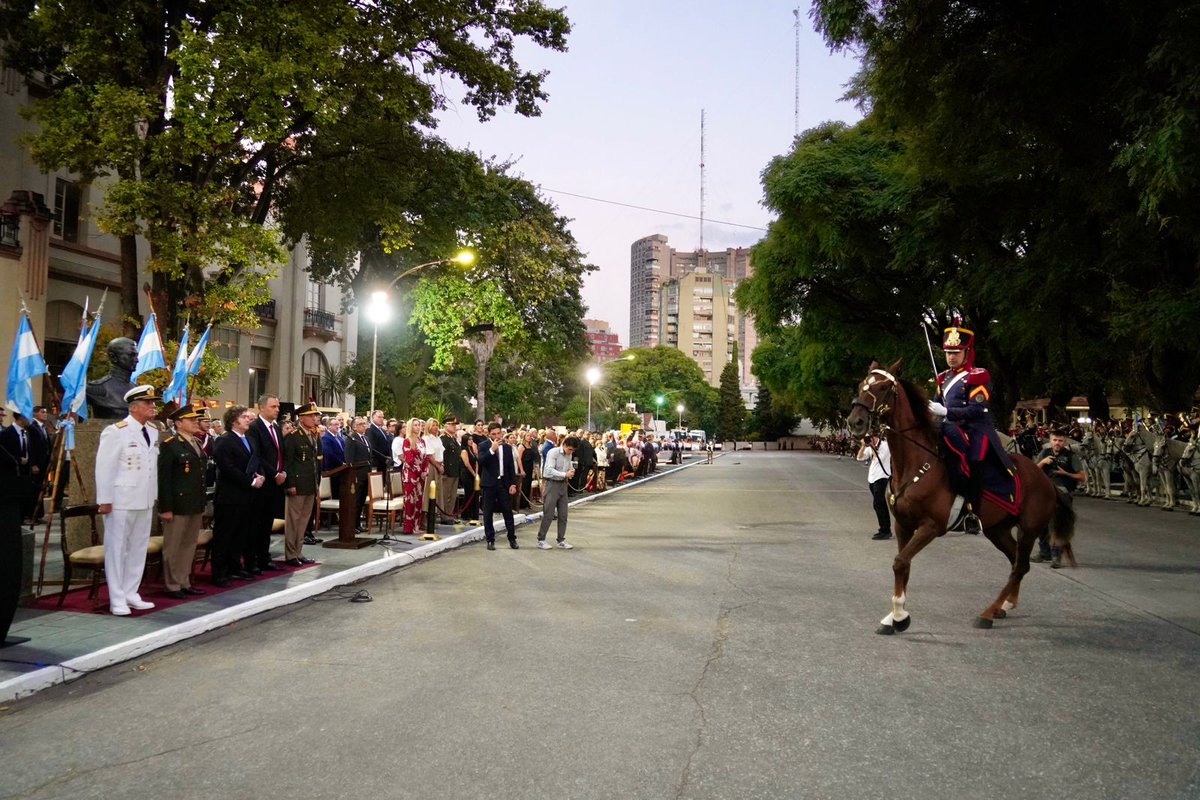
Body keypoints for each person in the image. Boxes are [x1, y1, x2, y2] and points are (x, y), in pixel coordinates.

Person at [928, 317, 1007, 536]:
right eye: (948, 353)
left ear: (967, 352)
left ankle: (973, 512)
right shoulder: (942, 378)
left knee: (974, 461)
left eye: (956, 352)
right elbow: (936, 405)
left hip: (975, 429)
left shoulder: (978, 376)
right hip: (949, 427)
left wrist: (946, 412)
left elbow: (977, 410)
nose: (951, 357)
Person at [94, 385, 162, 615]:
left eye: (153, 402)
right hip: (121, 499)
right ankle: (117, 597)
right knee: (117, 549)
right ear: (134, 407)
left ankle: (131, 592)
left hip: (144, 499)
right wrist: (104, 499)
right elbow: (104, 468)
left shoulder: (152, 431)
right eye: (148, 403)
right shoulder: (116, 431)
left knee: (138, 547)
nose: (153, 406)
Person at [156, 403, 210, 599]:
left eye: (196, 419)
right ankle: (172, 584)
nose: (196, 422)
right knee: (174, 545)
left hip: (194, 503)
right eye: (191, 419)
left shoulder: (195, 442)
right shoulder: (170, 444)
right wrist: (166, 507)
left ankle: (184, 580)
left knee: (188, 545)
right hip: (177, 505)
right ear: (179, 423)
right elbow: (164, 479)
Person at [211, 405, 265, 586]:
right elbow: (228, 468)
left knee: (240, 534)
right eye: (243, 417)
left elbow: (254, 460)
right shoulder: (224, 440)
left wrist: (258, 475)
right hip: (229, 496)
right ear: (233, 420)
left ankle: (235, 567)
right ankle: (219, 572)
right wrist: (250, 481)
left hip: (246, 496)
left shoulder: (248, 439)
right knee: (225, 534)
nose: (247, 419)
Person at [245, 394, 288, 573]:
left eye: (278, 406)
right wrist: (275, 473)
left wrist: (283, 471)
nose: (277, 410)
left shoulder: (275, 427)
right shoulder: (255, 428)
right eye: (273, 406)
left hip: (276, 482)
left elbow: (280, 452)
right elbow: (258, 455)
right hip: (262, 481)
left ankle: (264, 556)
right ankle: (253, 559)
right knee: (257, 523)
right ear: (261, 408)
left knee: (267, 522)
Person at [1035, 429, 1086, 567]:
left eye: (1060, 440)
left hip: (1063, 493)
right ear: (1050, 440)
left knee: (1057, 524)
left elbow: (1082, 477)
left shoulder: (1071, 456)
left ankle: (1056, 556)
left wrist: (1066, 473)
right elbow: (1033, 471)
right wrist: (1043, 463)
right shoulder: (1044, 453)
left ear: (1065, 442)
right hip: (1044, 493)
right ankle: (1044, 553)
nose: (1057, 443)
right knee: (1041, 524)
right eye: (1055, 440)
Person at [281, 402, 322, 566]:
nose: (315, 419)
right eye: (311, 416)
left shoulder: (312, 435)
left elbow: (313, 463)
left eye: (315, 416)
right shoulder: (293, 436)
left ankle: (298, 551)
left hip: (309, 484)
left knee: (304, 521)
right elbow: (288, 462)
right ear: (302, 418)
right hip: (297, 484)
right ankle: (291, 554)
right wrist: (290, 484)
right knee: (293, 521)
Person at [476, 422, 518, 550]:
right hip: (489, 484)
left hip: (503, 484)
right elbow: (481, 461)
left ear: (502, 433)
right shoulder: (483, 445)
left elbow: (511, 467)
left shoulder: (507, 447)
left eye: (498, 433)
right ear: (489, 434)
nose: (496, 436)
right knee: (488, 513)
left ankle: (512, 538)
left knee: (507, 511)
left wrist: (513, 483)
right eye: (493, 434)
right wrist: (491, 450)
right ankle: (490, 540)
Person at [537, 436, 577, 550]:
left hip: (563, 485)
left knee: (563, 514)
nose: (570, 452)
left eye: (572, 450)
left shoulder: (569, 455)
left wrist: (571, 471)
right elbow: (549, 469)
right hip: (552, 483)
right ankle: (541, 539)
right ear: (564, 444)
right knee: (549, 513)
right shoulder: (553, 452)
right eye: (569, 449)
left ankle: (561, 539)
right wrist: (564, 474)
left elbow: (568, 466)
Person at [85, 337, 138, 418]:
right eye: (131, 355)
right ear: (114, 357)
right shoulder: (96, 388)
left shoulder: (136, 389)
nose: (137, 360)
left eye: (136, 355)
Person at [856, 435, 893, 540]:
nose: (868, 440)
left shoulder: (886, 446)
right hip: (872, 478)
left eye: (870, 438)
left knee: (877, 504)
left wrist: (873, 447)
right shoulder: (869, 447)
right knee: (881, 504)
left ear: (875, 437)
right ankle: (885, 529)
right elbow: (859, 458)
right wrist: (863, 446)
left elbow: (881, 457)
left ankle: (884, 530)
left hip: (882, 477)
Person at [397, 418, 429, 535]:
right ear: (411, 427)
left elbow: (425, 457)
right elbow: (409, 459)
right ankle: (408, 527)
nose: (418, 427)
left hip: (421, 474)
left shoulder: (422, 441)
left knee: (419, 500)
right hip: (410, 474)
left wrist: (425, 470)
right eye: (415, 425)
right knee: (410, 500)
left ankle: (417, 525)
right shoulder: (407, 441)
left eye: (419, 425)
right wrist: (419, 471)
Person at [344, 417, 372, 532]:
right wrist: (352, 475)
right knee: (355, 501)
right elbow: (349, 459)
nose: (363, 426)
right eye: (361, 424)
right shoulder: (352, 439)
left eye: (364, 424)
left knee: (361, 501)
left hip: (366, 474)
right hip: (357, 475)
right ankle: (352, 524)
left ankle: (357, 524)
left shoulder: (366, 438)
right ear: (354, 427)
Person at [439, 417, 463, 522]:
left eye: (455, 425)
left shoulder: (453, 439)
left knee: (452, 495)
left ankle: (450, 514)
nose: (454, 427)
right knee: (446, 495)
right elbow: (442, 455)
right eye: (452, 425)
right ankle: (445, 515)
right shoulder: (444, 439)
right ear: (446, 426)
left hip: (455, 470)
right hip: (448, 471)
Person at [321, 416, 346, 516]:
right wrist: (341, 463)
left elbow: (344, 451)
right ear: (329, 426)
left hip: (342, 470)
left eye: (338, 424)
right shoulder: (326, 438)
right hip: (333, 470)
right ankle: (330, 518)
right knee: (334, 493)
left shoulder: (339, 438)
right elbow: (329, 454)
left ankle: (337, 517)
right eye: (335, 424)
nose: (338, 426)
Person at [422, 417, 445, 524]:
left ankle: (433, 514)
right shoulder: (427, 438)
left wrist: (442, 464)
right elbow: (430, 456)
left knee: (437, 491)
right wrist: (438, 466)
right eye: (434, 425)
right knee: (429, 491)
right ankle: (425, 517)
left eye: (437, 425)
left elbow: (440, 453)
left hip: (439, 464)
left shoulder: (438, 438)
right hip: (432, 466)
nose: (436, 427)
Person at [366, 409, 393, 476]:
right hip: (378, 461)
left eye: (382, 417)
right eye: (379, 417)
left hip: (385, 461)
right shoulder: (370, 430)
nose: (381, 419)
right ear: (373, 418)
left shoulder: (382, 430)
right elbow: (373, 447)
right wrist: (384, 458)